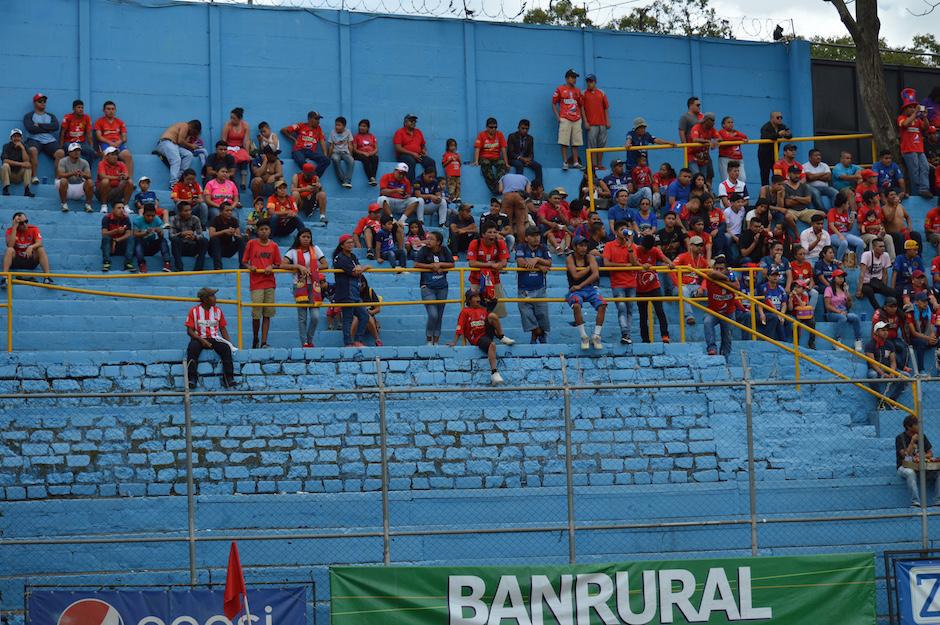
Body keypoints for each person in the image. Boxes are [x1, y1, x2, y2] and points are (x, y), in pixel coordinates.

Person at [448, 289, 514, 385]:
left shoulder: (483, 309)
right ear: (469, 300)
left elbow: (491, 317)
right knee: (492, 345)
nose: (478, 299)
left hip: (487, 333)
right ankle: (494, 373)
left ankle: (502, 337)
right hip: (477, 338)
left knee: (493, 316)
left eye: (478, 296)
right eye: (474, 297)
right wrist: (454, 342)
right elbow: (460, 328)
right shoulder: (465, 312)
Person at [282, 228, 328, 348]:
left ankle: (309, 339)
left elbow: (325, 264)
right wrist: (298, 266)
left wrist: (312, 269)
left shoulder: (315, 249)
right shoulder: (292, 251)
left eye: (308, 237)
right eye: (304, 237)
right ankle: (305, 343)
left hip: (314, 286)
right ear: (299, 238)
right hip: (299, 285)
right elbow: (283, 264)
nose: (306, 239)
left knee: (315, 317)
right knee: (302, 318)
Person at [185, 287, 236, 389]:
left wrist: (230, 344)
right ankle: (192, 378)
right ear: (205, 299)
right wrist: (202, 340)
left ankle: (229, 378)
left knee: (226, 348)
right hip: (199, 338)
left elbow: (223, 329)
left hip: (214, 338)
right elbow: (189, 331)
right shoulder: (194, 311)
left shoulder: (218, 311)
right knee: (192, 348)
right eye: (212, 296)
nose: (215, 298)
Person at [242, 220, 281, 348]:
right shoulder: (251, 243)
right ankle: (255, 338)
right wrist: (250, 267)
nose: (264, 231)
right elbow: (244, 261)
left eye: (266, 229)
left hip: (269, 283)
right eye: (261, 229)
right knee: (256, 314)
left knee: (267, 314)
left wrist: (272, 267)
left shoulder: (274, 246)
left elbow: (278, 263)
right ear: (257, 231)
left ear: (270, 231)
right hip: (256, 283)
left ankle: (264, 341)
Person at [413, 231, 454, 345]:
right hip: (427, 286)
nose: (428, 241)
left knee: (439, 315)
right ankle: (429, 339)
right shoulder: (424, 250)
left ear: (438, 242)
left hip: (442, 286)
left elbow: (452, 264)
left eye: (431, 239)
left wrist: (440, 265)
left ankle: (436, 341)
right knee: (433, 314)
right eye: (428, 238)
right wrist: (431, 266)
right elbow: (416, 264)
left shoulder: (444, 250)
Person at [566, 236, 606, 349]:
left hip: (589, 288)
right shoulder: (570, 258)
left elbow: (596, 275)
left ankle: (596, 336)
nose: (584, 248)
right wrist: (589, 268)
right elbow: (575, 275)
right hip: (574, 290)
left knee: (602, 305)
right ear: (574, 247)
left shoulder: (590, 257)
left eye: (585, 245)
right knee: (577, 305)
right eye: (581, 245)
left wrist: (580, 285)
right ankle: (584, 336)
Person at [332, 234, 372, 347]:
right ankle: (348, 343)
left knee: (364, 316)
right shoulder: (340, 257)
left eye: (352, 242)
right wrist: (365, 267)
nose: (351, 245)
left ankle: (358, 340)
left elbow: (357, 268)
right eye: (348, 243)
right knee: (348, 318)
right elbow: (355, 272)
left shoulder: (352, 256)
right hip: (345, 292)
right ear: (342, 245)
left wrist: (360, 268)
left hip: (354, 292)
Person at [514, 226, 552, 344]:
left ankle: (538, 337)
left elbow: (549, 263)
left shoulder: (543, 247)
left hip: (540, 288)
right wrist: (540, 267)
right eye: (533, 236)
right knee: (527, 314)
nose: (536, 238)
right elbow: (521, 262)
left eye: (538, 235)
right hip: (524, 289)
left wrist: (536, 259)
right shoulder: (521, 247)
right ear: (526, 238)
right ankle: (537, 332)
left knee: (542, 314)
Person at [633, 231, 673, 343]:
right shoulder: (636, 249)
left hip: (654, 286)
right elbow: (633, 262)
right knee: (643, 315)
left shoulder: (655, 250)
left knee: (660, 311)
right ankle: (645, 339)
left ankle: (665, 335)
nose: (645, 251)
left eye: (647, 250)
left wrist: (670, 263)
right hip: (640, 288)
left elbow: (664, 258)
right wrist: (642, 266)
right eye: (644, 249)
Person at [703, 255, 745, 356]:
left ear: (726, 269)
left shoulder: (732, 275)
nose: (718, 271)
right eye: (716, 268)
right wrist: (726, 279)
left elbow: (737, 287)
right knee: (707, 322)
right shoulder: (711, 276)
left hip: (729, 312)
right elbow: (711, 273)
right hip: (713, 311)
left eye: (721, 269)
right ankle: (711, 348)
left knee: (727, 337)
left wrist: (724, 281)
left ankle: (725, 357)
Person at [468, 221, 510, 317]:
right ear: (483, 234)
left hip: (495, 281)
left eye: (495, 232)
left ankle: (494, 331)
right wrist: (490, 265)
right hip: (477, 281)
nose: (493, 235)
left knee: (496, 314)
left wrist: (499, 265)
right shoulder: (475, 243)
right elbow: (472, 263)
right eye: (490, 232)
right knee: (475, 313)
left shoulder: (500, 243)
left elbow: (504, 263)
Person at [896, 416, 940, 507]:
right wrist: (912, 441)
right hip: (905, 466)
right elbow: (905, 455)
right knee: (910, 473)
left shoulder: (922, 436)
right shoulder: (900, 438)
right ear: (908, 427)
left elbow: (930, 453)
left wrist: (922, 456)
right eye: (917, 425)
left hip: (920, 466)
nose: (920, 427)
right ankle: (915, 502)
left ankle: (938, 500)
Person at [898, 88, 933, 198]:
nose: (913, 109)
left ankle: (924, 189)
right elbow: (905, 124)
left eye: (914, 107)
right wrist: (916, 113)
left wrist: (924, 117)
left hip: (919, 149)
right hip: (908, 150)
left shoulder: (918, 120)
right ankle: (916, 194)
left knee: (925, 168)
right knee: (914, 172)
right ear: (905, 109)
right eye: (911, 107)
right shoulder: (901, 117)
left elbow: (925, 127)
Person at [2, 212, 51, 286]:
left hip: (30, 259)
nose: (25, 224)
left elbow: (40, 243)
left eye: (26, 221)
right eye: (21, 223)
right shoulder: (10, 230)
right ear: (17, 224)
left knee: (40, 249)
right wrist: (14, 228)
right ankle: (4, 278)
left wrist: (31, 247)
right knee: (9, 250)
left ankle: (47, 277)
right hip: (16, 261)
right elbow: (10, 245)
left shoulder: (33, 229)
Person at [23, 93, 63, 182]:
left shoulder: (51, 116)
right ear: (35, 103)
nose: (43, 103)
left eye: (44, 101)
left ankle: (57, 179)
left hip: (49, 140)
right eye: (40, 101)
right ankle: (34, 177)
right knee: (32, 150)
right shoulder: (29, 116)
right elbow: (30, 129)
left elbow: (56, 127)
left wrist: (39, 125)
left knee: (60, 152)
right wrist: (48, 128)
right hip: (34, 139)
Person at [821, 268, 864, 351]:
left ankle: (858, 340)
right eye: (839, 277)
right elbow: (827, 306)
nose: (841, 279)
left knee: (855, 317)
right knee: (843, 318)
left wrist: (847, 292)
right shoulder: (829, 289)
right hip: (832, 314)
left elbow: (849, 306)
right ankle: (836, 341)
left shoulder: (844, 290)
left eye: (842, 277)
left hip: (844, 312)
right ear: (834, 278)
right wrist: (839, 312)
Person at [552, 69, 585, 170]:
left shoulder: (578, 91)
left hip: (576, 119)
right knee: (564, 141)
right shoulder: (560, 89)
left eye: (575, 77)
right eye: (572, 77)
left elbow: (581, 105)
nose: (574, 79)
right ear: (567, 78)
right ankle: (565, 162)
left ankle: (575, 162)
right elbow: (553, 103)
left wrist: (584, 120)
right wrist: (558, 117)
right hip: (565, 118)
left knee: (576, 142)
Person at [866, 321, 906, 402]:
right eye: (883, 330)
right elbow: (872, 363)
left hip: (888, 369)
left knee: (906, 376)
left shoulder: (890, 344)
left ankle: (892, 399)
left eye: (886, 330)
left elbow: (893, 361)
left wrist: (892, 372)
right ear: (876, 332)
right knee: (872, 375)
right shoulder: (870, 344)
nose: (886, 332)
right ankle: (880, 399)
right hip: (875, 370)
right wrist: (882, 373)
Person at [281, 111, 330, 176]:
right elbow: (283, 130)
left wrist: (325, 155)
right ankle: (310, 177)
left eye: (319, 119)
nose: (318, 121)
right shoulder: (301, 125)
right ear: (309, 119)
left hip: (310, 152)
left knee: (326, 160)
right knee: (302, 162)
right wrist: (293, 139)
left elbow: (322, 142)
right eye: (316, 119)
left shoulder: (319, 129)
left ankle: (314, 177)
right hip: (299, 150)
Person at [92, 101, 133, 178]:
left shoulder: (120, 122)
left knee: (128, 155)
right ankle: (103, 180)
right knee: (106, 156)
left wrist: (119, 142)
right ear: (104, 110)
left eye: (113, 109)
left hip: (118, 144)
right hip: (105, 144)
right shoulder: (99, 122)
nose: (111, 111)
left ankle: (128, 180)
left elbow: (124, 138)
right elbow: (99, 137)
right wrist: (109, 142)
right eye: (108, 109)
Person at [156, 120, 202, 187]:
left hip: (174, 145)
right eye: (194, 132)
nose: (192, 134)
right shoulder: (185, 125)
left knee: (188, 155)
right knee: (176, 159)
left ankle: (179, 179)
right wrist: (191, 146)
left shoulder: (186, 131)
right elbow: (180, 141)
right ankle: (173, 183)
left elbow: (181, 143)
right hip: (165, 143)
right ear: (192, 127)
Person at [393, 114, 434, 183]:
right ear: (405, 122)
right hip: (404, 156)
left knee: (431, 162)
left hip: (417, 156)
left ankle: (432, 184)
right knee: (410, 161)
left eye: (415, 121)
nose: (413, 123)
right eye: (411, 121)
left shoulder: (418, 132)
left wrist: (424, 151)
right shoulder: (399, 132)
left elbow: (423, 145)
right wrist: (412, 153)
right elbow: (398, 148)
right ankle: (411, 185)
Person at [472, 118, 508, 194]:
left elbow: (503, 149)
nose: (493, 129)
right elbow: (477, 148)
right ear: (487, 127)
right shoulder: (481, 135)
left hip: (496, 158)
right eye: (491, 127)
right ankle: (495, 188)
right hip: (484, 157)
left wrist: (506, 162)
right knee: (485, 164)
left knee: (502, 164)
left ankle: (498, 185)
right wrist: (476, 161)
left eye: (495, 127)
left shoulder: (500, 134)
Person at [169, 201, 208, 272]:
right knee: (175, 240)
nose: (189, 212)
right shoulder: (173, 219)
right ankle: (179, 268)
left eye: (190, 210)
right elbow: (171, 236)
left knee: (204, 240)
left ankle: (199, 268)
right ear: (179, 212)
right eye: (186, 211)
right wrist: (182, 234)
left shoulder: (195, 219)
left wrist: (194, 237)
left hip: (193, 247)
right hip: (181, 247)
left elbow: (200, 234)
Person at [132, 205, 171, 273]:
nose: (151, 218)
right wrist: (145, 233)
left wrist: (159, 232)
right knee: (138, 241)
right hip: (141, 247)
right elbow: (135, 234)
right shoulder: (137, 220)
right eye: (148, 215)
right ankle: (142, 264)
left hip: (151, 246)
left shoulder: (157, 220)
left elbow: (161, 236)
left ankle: (167, 263)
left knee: (163, 240)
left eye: (153, 216)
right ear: (143, 214)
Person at [208, 201, 247, 270]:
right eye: (227, 211)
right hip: (214, 250)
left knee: (241, 239)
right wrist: (224, 231)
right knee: (215, 239)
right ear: (220, 212)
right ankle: (218, 267)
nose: (230, 213)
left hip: (227, 250)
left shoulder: (234, 220)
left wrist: (233, 232)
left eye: (231, 210)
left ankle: (242, 265)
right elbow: (211, 235)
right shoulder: (215, 219)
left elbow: (238, 236)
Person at [582, 74, 610, 170]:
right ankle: (593, 165)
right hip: (591, 124)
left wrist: (607, 121)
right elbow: (582, 109)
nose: (589, 83)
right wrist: (585, 122)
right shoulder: (583, 93)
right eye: (588, 81)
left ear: (595, 82)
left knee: (601, 145)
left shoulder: (601, 93)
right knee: (592, 146)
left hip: (602, 123)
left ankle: (599, 164)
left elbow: (606, 108)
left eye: (591, 81)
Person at [56, 142, 93, 213]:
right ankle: (64, 204)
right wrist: (73, 173)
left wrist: (82, 174)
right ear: (69, 152)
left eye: (78, 150)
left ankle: (88, 205)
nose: (77, 152)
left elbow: (89, 176)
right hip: (67, 185)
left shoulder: (84, 162)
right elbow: (60, 175)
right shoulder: (63, 161)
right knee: (63, 180)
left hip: (79, 186)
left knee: (90, 182)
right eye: (74, 150)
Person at [883, 189, 922, 256]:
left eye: (895, 194)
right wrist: (895, 206)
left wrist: (909, 226)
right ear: (886, 198)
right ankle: (900, 257)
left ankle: (918, 256)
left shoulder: (900, 206)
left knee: (916, 235)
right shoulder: (884, 208)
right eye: (891, 195)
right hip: (892, 234)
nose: (894, 196)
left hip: (903, 231)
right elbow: (889, 219)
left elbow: (908, 217)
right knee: (899, 236)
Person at [757, 111, 792, 186]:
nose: (780, 119)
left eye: (781, 117)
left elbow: (789, 135)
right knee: (765, 174)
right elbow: (766, 137)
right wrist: (779, 134)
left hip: (774, 154)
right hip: (764, 155)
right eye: (778, 117)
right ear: (772, 119)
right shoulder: (765, 127)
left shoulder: (782, 126)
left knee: (777, 175)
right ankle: (765, 193)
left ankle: (778, 192)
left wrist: (787, 134)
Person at [827, 192, 864, 262]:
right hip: (833, 235)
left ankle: (859, 263)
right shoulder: (832, 212)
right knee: (844, 243)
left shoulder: (846, 213)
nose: (848, 205)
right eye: (847, 204)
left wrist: (851, 223)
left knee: (860, 242)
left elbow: (848, 229)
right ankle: (838, 262)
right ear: (843, 204)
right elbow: (831, 226)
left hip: (845, 234)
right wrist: (839, 235)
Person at [95, 146, 134, 211]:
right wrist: (117, 177)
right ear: (106, 156)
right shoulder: (101, 163)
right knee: (105, 181)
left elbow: (127, 175)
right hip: (102, 192)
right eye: (112, 154)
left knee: (129, 181)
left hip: (116, 190)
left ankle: (126, 206)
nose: (115, 156)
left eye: (116, 155)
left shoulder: (121, 164)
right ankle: (104, 205)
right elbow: (102, 176)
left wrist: (124, 176)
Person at [221, 107, 251, 190]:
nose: (232, 120)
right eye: (231, 117)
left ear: (239, 119)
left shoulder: (245, 126)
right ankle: (231, 177)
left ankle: (243, 181)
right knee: (231, 158)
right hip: (229, 147)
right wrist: (224, 150)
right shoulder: (227, 125)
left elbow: (246, 141)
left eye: (234, 118)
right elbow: (223, 139)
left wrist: (247, 153)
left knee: (244, 157)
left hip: (240, 148)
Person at [906, 292, 937, 373]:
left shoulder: (928, 310)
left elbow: (932, 326)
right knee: (921, 343)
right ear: (916, 302)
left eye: (926, 301)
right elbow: (913, 333)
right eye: (923, 301)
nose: (925, 303)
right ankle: (921, 370)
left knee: (937, 341)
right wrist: (928, 338)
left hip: (926, 337)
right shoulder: (910, 312)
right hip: (913, 339)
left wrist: (932, 337)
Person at [100, 202, 134, 272]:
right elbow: (104, 233)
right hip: (110, 246)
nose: (122, 210)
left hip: (121, 245)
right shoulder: (107, 218)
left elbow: (128, 234)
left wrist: (117, 240)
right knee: (106, 238)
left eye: (123, 208)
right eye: (119, 208)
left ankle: (128, 263)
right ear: (113, 210)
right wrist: (115, 231)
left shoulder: (126, 218)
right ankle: (106, 262)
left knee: (131, 238)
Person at [507, 119, 542, 187]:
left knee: (538, 166)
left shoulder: (530, 138)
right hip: (513, 159)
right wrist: (522, 159)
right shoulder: (512, 136)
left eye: (527, 129)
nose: (525, 130)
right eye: (523, 128)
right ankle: (519, 187)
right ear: (518, 128)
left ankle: (539, 187)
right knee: (519, 164)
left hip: (525, 160)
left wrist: (529, 160)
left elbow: (531, 153)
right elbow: (510, 153)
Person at [687, 112, 720, 185]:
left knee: (703, 178)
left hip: (703, 157)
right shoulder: (697, 127)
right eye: (712, 120)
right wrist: (708, 141)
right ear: (707, 120)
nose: (714, 123)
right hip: (692, 156)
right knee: (697, 176)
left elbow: (720, 138)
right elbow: (695, 139)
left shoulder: (712, 129)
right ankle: (693, 194)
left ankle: (702, 194)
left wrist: (715, 141)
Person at [499, 171, 531, 243]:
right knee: (520, 223)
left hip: (507, 196)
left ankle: (511, 245)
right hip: (519, 196)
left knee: (508, 222)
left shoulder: (503, 177)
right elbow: (528, 192)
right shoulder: (525, 178)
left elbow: (500, 190)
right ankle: (521, 244)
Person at [1, 129, 34, 197]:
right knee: (5, 165)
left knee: (28, 167)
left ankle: (27, 190)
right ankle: (5, 188)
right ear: (11, 138)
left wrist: (22, 149)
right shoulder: (6, 146)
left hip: (19, 175)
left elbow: (27, 161)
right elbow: (5, 160)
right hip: (9, 175)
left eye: (18, 136)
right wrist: (21, 164)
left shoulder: (25, 146)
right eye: (14, 136)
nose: (16, 138)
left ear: (21, 138)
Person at [717, 117, 748, 183]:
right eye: (728, 122)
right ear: (723, 125)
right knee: (726, 181)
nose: (731, 124)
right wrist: (739, 138)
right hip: (726, 158)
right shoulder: (721, 131)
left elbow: (745, 137)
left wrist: (736, 136)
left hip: (738, 159)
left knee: (742, 179)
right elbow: (726, 138)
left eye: (732, 122)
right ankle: (727, 193)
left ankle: (739, 193)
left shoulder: (735, 132)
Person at [328, 116, 355, 189]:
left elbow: (350, 145)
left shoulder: (348, 132)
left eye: (339, 125)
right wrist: (328, 156)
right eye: (336, 125)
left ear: (344, 126)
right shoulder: (332, 132)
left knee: (351, 161)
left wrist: (351, 155)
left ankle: (348, 181)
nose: (337, 127)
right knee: (335, 159)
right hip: (335, 153)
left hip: (345, 153)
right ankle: (343, 180)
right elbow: (331, 146)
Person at [352, 119, 379, 186]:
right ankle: (370, 178)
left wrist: (371, 153)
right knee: (365, 159)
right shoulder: (356, 136)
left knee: (375, 158)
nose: (361, 128)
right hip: (359, 154)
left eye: (364, 126)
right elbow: (354, 149)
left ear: (368, 128)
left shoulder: (372, 136)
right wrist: (363, 153)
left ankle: (373, 177)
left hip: (370, 153)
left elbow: (376, 148)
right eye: (360, 126)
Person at [441, 138, 462, 202]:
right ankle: (452, 197)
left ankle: (458, 197)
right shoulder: (446, 155)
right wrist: (450, 160)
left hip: (457, 174)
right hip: (450, 174)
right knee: (451, 186)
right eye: (451, 146)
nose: (453, 147)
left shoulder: (457, 155)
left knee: (458, 186)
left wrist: (458, 159)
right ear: (448, 147)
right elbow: (444, 164)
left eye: (454, 146)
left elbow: (460, 164)